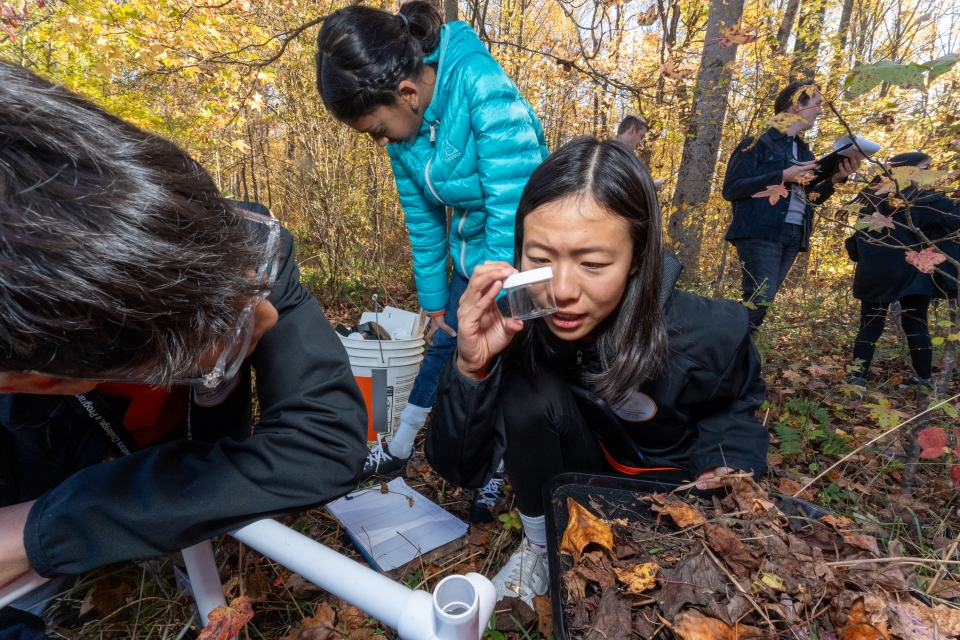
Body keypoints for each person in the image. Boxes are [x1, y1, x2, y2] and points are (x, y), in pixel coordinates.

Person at [0, 62, 367, 636]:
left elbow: (325, 439)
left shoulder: (232, 244)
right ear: (40, 379)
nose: (265, 315)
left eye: (247, 287)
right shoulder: (30, 342)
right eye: (221, 340)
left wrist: (42, 529)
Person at [427, 137, 769, 607]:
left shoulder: (707, 333)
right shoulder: (515, 322)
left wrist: (722, 465)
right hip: (577, 469)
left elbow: (734, 407)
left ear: (637, 258)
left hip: (663, 488)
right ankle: (541, 548)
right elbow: (459, 470)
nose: (563, 290)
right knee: (527, 386)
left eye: (593, 263)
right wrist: (470, 366)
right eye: (541, 258)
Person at [315, 1, 549, 518]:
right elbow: (423, 219)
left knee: (510, 360)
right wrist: (435, 301)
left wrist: (490, 297)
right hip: (474, 256)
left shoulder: (480, 85)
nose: (378, 139)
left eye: (376, 127)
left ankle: (497, 469)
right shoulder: (403, 132)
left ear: (407, 93)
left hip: (526, 253)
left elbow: (513, 203)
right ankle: (397, 449)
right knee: (444, 343)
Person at [723, 80, 862, 330]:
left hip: (794, 233)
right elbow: (732, 188)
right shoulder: (755, 143)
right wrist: (782, 176)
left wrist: (836, 178)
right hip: (760, 231)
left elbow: (811, 198)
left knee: (763, 303)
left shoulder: (805, 151)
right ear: (798, 105)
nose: (820, 111)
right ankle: (718, 355)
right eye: (817, 104)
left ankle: (732, 359)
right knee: (759, 301)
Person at [847, 152, 960, 388]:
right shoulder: (922, 197)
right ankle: (922, 379)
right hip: (912, 272)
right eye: (926, 166)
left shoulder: (873, 198)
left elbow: (857, 239)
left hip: (875, 272)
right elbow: (955, 217)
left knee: (870, 325)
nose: (930, 172)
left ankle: (856, 379)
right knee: (915, 323)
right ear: (908, 170)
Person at [615, 115, 664, 190]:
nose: (641, 144)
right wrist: (651, 188)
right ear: (632, 129)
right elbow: (620, 191)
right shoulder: (611, 156)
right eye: (641, 137)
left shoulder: (620, 155)